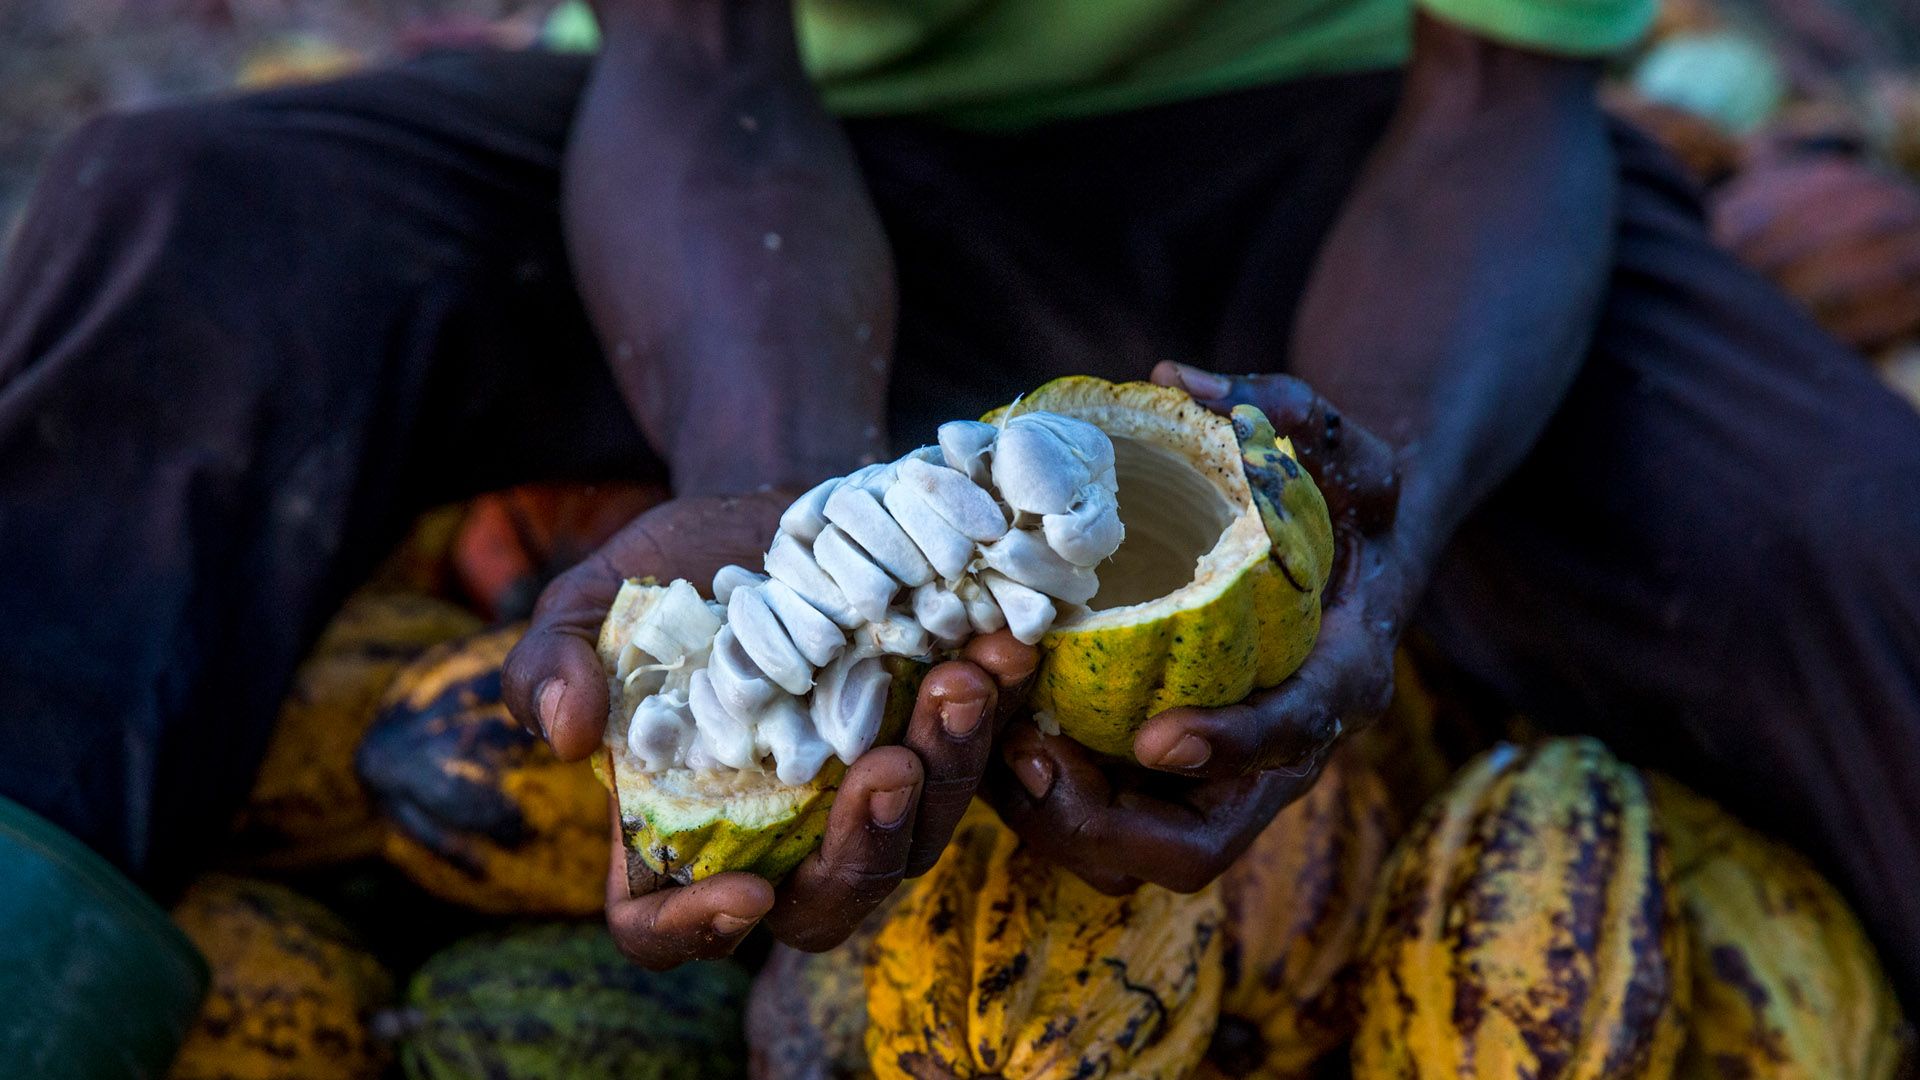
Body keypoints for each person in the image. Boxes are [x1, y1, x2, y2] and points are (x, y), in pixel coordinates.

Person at [1, 0, 1917, 1044]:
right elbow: (696, 53)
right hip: (785, 176)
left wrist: (1377, 532)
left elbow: (1502, 100)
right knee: (180, 218)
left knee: (1859, 543)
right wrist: (773, 488)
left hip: (1336, 172)